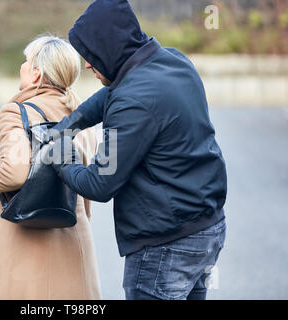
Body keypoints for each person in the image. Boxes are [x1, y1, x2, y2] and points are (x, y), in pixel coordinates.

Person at [45, 0, 227, 300]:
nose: (87, 64)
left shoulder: (132, 102)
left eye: (91, 55)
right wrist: (70, 124)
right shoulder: (174, 61)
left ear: (108, 49)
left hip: (166, 247)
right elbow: (112, 94)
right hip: (209, 230)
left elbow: (100, 183)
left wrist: (60, 157)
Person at [0, 35, 101, 299]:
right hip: (74, 242)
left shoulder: (16, 113)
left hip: (24, 248)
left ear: (36, 74)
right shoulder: (81, 114)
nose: (22, 66)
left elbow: (15, 171)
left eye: (26, 61)